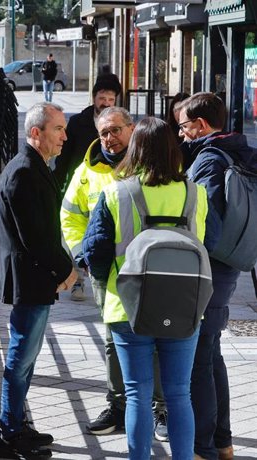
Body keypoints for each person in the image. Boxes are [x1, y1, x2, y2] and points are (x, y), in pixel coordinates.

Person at [82, 117, 214, 460]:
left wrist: (108, 281)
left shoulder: (116, 192)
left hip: (128, 307)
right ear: (174, 150)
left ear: (135, 149)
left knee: (137, 394)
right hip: (184, 306)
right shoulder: (195, 193)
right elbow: (205, 243)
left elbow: (94, 251)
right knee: (179, 394)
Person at [60, 107, 168, 440]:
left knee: (157, 339)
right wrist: (83, 255)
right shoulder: (86, 172)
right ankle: (118, 406)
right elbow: (69, 216)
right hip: (108, 274)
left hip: (153, 272)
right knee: (113, 341)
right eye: (104, 132)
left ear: (132, 128)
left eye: (116, 130)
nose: (110, 138)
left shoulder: (154, 163)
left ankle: (159, 409)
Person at [0, 102, 79, 460]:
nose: (65, 136)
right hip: (30, 279)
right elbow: (36, 238)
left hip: (32, 277)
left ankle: (16, 423)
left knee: (25, 356)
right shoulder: (24, 172)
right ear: (36, 133)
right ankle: (11, 431)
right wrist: (67, 270)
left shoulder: (32, 166)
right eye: (58, 129)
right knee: (20, 358)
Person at [176, 92, 257, 460]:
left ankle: (203, 447)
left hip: (209, 270)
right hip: (229, 267)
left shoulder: (208, 159)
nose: (180, 135)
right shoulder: (241, 149)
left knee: (198, 362)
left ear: (201, 125)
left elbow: (202, 223)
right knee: (211, 355)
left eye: (183, 127)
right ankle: (222, 442)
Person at [53, 70, 121, 301]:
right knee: (76, 234)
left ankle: (104, 280)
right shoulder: (78, 122)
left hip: (110, 189)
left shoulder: (121, 124)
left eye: (111, 100)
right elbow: (64, 156)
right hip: (80, 186)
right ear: (94, 98)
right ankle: (77, 281)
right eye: (102, 98)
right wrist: (57, 180)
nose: (106, 103)